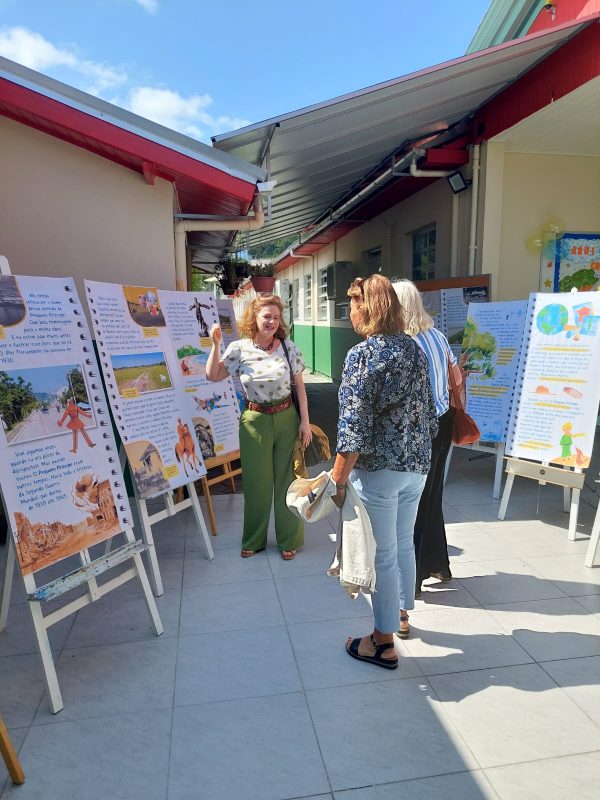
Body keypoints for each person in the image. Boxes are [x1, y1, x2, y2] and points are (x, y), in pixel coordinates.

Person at [331, 274, 437, 669]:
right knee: (402, 544)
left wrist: (336, 479)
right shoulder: (413, 349)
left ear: (368, 307)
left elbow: (353, 426)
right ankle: (401, 617)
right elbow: (430, 413)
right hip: (415, 467)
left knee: (382, 556)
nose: (350, 312)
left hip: (380, 472)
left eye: (353, 304)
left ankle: (382, 642)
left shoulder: (365, 354)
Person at [206, 294, 312, 560]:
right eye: (267, 316)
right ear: (254, 317)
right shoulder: (240, 349)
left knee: (288, 481)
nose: (272, 322)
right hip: (255, 421)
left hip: (287, 418)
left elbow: (300, 386)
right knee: (256, 484)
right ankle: (254, 539)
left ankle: (289, 539)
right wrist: (215, 345)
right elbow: (213, 375)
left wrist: (305, 423)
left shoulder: (289, 347)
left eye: (276, 317)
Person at [393, 279, 459, 597]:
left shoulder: (400, 344)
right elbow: (456, 376)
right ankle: (437, 563)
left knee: (413, 499)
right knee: (432, 495)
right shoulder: (438, 336)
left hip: (417, 428)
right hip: (443, 421)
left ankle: (414, 576)